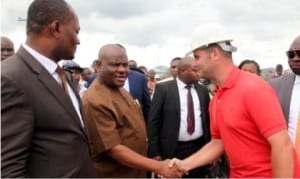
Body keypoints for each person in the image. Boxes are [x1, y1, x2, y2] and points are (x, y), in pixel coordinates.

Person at [169, 39, 297, 177]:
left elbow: (282, 145)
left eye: (197, 57)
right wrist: (184, 165)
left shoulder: (253, 88)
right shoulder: (217, 98)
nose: (194, 63)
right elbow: (218, 142)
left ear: (214, 53)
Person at [1, 0, 96, 177]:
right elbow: (8, 169)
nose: (78, 40)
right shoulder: (10, 79)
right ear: (56, 28)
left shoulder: (62, 75)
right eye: (76, 31)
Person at [81, 44, 181, 178]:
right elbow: (114, 149)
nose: (122, 70)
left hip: (136, 171)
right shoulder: (94, 100)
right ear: (98, 66)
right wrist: (158, 167)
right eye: (115, 65)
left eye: (125, 65)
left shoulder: (120, 90)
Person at [147, 56, 211, 178]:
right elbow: (153, 122)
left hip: (199, 148)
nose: (199, 74)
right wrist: (154, 152)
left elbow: (207, 121)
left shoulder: (203, 90)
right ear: (182, 71)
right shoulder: (163, 89)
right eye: (195, 70)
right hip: (172, 149)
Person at [269, 35, 300, 163]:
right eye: (291, 55)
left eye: (299, 53)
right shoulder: (275, 85)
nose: (296, 58)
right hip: (288, 164)